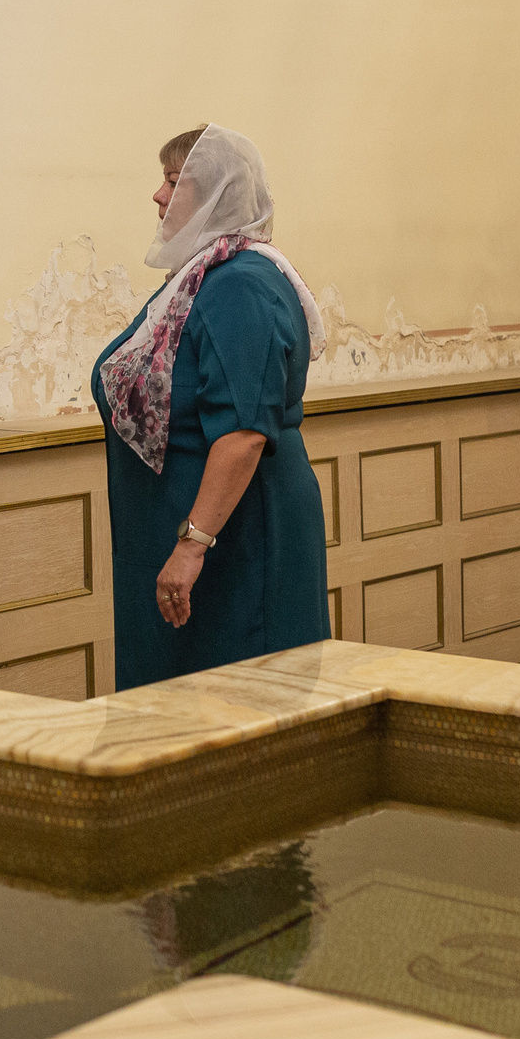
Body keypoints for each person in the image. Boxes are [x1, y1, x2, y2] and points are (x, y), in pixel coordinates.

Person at [94, 125, 328, 691]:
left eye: (175, 182)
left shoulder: (239, 286)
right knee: (182, 703)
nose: (158, 195)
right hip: (200, 538)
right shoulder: (199, 279)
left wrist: (192, 545)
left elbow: (244, 432)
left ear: (217, 196)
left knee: (239, 699)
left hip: (234, 544)